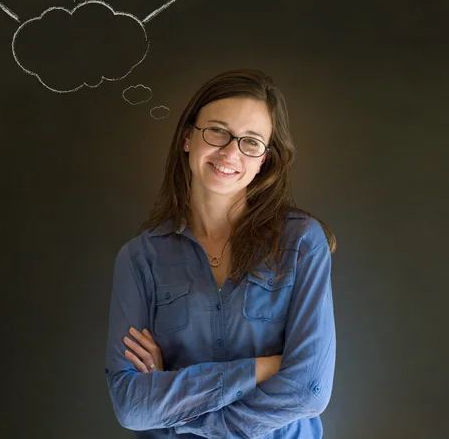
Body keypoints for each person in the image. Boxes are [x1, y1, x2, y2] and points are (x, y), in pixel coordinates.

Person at [105, 69, 337, 438]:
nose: (231, 151)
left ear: (264, 158)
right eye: (217, 131)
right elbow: (132, 407)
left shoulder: (301, 242)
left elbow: (308, 391)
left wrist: (177, 406)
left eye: (251, 141)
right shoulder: (140, 258)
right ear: (187, 138)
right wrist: (259, 369)